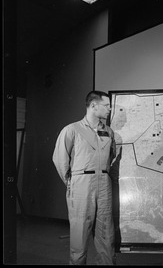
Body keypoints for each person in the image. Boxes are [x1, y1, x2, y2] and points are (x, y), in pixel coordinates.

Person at [52, 91, 117, 265]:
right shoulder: (72, 130)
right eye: (107, 105)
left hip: (104, 184)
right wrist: (71, 182)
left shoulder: (109, 133)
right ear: (94, 106)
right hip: (81, 186)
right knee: (79, 240)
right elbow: (60, 159)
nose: (110, 109)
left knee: (106, 238)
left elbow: (112, 158)